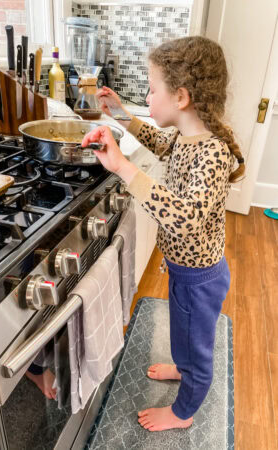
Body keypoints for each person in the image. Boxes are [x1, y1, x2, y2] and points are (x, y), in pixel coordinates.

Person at [81, 36, 245, 432]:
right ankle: (182, 365)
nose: (148, 96)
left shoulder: (213, 153)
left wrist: (122, 167)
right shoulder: (187, 137)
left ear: (182, 97)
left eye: (153, 89)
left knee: (198, 352)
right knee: (183, 333)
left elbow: (186, 218)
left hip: (198, 279)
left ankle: (183, 411)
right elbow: (158, 142)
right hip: (184, 270)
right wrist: (121, 115)